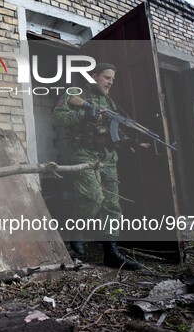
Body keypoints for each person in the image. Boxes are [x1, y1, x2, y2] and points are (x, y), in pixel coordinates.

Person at [53, 62, 146, 270]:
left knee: (112, 206)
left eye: (113, 79)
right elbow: (58, 118)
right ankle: (76, 231)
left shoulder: (109, 102)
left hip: (107, 158)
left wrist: (130, 142)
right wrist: (86, 113)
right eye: (106, 77)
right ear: (95, 76)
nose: (110, 82)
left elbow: (113, 131)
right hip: (83, 154)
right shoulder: (76, 93)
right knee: (93, 197)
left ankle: (111, 253)